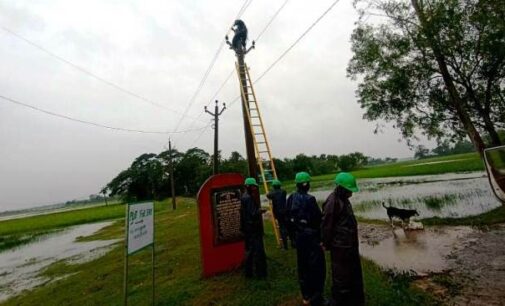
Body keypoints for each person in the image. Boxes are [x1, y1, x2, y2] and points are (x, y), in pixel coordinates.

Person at [321, 172, 364, 306]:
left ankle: (355, 300)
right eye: (349, 190)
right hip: (340, 247)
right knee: (341, 276)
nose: (351, 194)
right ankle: (339, 301)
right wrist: (325, 243)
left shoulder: (343, 199)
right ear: (340, 188)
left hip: (350, 245)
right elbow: (327, 225)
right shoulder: (332, 202)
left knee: (353, 272)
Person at [287, 172, 326, 305]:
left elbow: (288, 219)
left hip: (299, 238)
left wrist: (292, 236)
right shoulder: (310, 199)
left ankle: (306, 296)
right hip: (311, 238)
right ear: (306, 184)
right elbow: (318, 220)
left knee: (302, 266)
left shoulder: (291, 197)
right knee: (316, 267)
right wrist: (321, 239)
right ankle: (317, 298)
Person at [240, 177, 267, 278]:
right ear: (248, 187)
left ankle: (249, 272)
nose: (255, 188)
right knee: (257, 250)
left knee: (249, 250)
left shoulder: (244, 196)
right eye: (253, 187)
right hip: (253, 228)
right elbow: (253, 213)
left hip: (247, 228)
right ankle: (260, 273)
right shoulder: (248, 198)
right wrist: (260, 211)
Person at [266, 179, 290, 249]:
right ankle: (292, 241)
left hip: (278, 213)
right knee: (287, 226)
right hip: (285, 211)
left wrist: (270, 190)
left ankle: (285, 246)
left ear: (273, 186)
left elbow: (268, 195)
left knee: (282, 227)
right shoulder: (284, 192)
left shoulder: (272, 194)